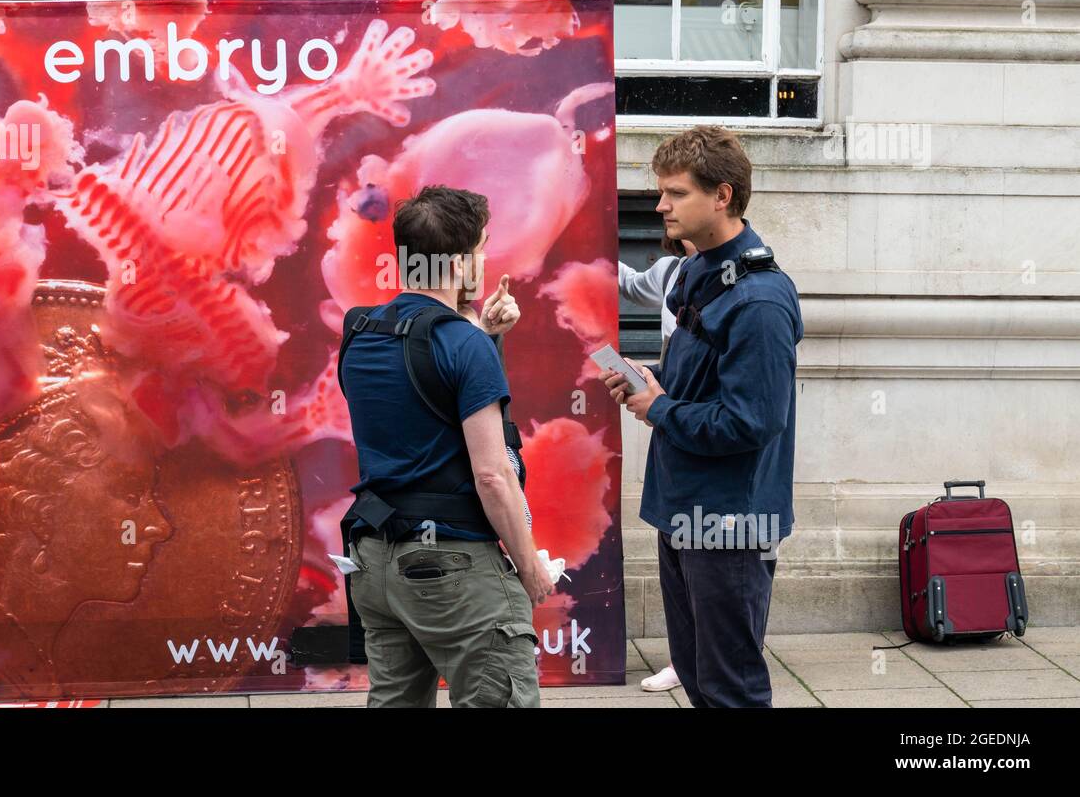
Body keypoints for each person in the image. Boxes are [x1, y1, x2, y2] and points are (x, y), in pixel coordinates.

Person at [601, 125, 803, 708]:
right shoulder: (697, 271)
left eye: (675, 193)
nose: (659, 205)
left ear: (722, 196)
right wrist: (652, 387)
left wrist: (659, 407)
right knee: (696, 677)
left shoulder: (759, 300)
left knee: (730, 688)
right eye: (660, 191)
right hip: (684, 505)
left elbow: (751, 423)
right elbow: (705, 385)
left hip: (731, 522)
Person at [339, 185, 552, 708]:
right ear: (459, 264)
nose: (483, 260)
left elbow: (417, 393)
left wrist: (482, 333)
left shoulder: (359, 331)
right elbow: (491, 475)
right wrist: (528, 568)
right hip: (452, 568)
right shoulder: (464, 344)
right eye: (481, 249)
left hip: (375, 561)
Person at [617, 233, 695, 693]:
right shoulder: (669, 272)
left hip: (695, 422)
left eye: (677, 194)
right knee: (676, 549)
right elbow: (627, 282)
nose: (663, 206)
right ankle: (685, 659)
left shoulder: (742, 283)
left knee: (718, 560)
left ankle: (711, 657)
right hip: (673, 425)